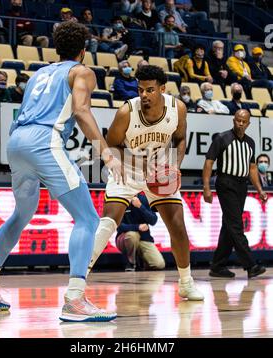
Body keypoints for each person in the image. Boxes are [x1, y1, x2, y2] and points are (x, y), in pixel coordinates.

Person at [0, 21, 122, 322]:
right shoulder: (82, 71)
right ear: (84, 50)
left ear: (57, 48)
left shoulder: (39, 73)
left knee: (21, 215)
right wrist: (106, 153)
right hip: (45, 142)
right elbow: (81, 110)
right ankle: (75, 300)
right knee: (88, 217)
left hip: (16, 143)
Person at [87, 65, 204, 301]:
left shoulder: (177, 108)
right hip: (129, 168)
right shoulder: (126, 112)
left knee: (178, 225)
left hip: (161, 167)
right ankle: (78, 282)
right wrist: (137, 166)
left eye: (150, 90)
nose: (144, 95)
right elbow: (110, 146)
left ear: (162, 89)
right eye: (140, 89)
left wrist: (175, 165)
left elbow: (180, 139)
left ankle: (186, 282)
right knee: (109, 221)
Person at [202, 109, 267, 279]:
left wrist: (259, 189)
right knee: (236, 225)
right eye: (237, 120)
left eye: (243, 121)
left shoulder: (251, 143)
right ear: (234, 120)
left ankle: (217, 266)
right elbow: (209, 163)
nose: (240, 123)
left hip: (241, 186)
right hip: (226, 183)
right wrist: (206, 187)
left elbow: (252, 168)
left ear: (248, 123)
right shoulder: (222, 138)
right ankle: (251, 265)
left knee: (229, 226)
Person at [116, 194, 165, 271]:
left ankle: (142, 260)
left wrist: (140, 206)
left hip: (143, 239)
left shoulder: (144, 199)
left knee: (159, 264)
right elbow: (118, 225)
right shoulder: (121, 200)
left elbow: (153, 220)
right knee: (132, 235)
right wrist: (137, 227)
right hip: (124, 238)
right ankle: (131, 263)